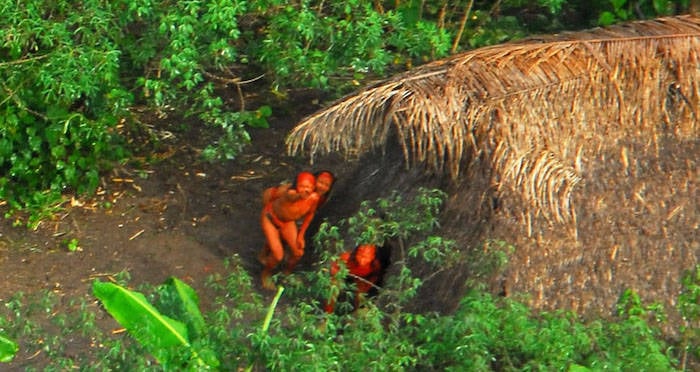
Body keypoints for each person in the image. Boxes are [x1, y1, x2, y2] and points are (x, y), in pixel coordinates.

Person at [258, 172, 320, 290]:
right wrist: (300, 195)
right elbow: (291, 197)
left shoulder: (314, 198)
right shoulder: (290, 193)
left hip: (287, 223)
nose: (305, 189)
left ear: (313, 187)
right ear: (296, 185)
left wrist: (301, 235)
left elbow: (310, 214)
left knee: (298, 253)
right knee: (278, 255)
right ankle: (266, 274)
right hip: (270, 219)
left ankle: (287, 272)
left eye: (309, 187)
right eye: (302, 186)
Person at [324, 244, 386, 314]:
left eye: (367, 254)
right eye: (361, 252)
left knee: (362, 297)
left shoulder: (375, 265)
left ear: (373, 256)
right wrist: (340, 276)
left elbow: (375, 276)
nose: (363, 255)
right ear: (356, 253)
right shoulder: (346, 258)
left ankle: (355, 316)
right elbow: (333, 268)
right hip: (344, 276)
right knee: (334, 286)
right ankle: (327, 314)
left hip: (362, 279)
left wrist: (365, 287)